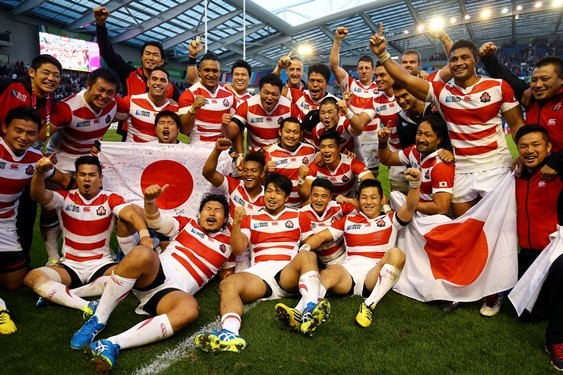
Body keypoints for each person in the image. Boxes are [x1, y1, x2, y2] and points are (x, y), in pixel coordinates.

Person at [369, 27, 525, 218]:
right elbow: (407, 80)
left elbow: (517, 124)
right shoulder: (443, 92)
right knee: (463, 226)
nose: (459, 63)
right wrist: (383, 55)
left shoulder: (498, 87)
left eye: (465, 58)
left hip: (496, 167)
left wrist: (523, 154)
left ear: (476, 60)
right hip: (462, 170)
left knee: (501, 227)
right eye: (454, 59)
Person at [70, 190, 233, 372]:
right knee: (142, 253)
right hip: (157, 272)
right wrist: (149, 201)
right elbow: (156, 221)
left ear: (226, 218)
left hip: (172, 293)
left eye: (218, 210)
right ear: (200, 213)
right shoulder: (186, 224)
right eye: (207, 208)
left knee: (190, 310)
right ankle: (98, 318)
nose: (211, 213)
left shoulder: (230, 244)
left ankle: (111, 344)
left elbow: (228, 271)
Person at [194, 174, 330, 353]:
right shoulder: (251, 218)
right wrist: (237, 224)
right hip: (260, 276)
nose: (272, 196)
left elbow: (311, 242)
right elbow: (237, 248)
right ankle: (230, 334)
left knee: (308, 255)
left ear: (287, 197)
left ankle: (309, 309)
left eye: (278, 193)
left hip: (287, 273)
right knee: (228, 283)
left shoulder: (298, 216)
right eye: (269, 191)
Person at [23, 155, 152, 314]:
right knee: (31, 277)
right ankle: (85, 305)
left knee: (135, 278)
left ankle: (61, 293)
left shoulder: (110, 198)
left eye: (92, 175)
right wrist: (38, 173)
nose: (87, 179)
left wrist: (144, 234)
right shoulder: (65, 198)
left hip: (101, 265)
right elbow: (37, 195)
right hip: (70, 266)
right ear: (76, 177)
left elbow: (131, 214)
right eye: (82, 174)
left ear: (100, 178)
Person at [300, 172, 420, 328]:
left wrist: (415, 184)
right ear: (358, 199)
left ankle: (369, 305)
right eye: (364, 197)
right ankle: (309, 309)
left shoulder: (391, 220)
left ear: (381, 199)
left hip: (375, 274)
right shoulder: (348, 220)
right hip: (349, 273)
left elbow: (411, 205)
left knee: (397, 254)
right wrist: (306, 247)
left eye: (373, 197)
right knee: (330, 271)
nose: (368, 202)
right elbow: (322, 237)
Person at [40, 68, 122, 264]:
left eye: (110, 92)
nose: (104, 96)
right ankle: (53, 257)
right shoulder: (67, 108)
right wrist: (45, 164)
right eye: (100, 90)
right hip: (62, 162)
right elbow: (39, 137)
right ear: (88, 85)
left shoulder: (114, 105)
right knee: (51, 208)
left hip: (89, 163)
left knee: (96, 207)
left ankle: (99, 249)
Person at [0, 107, 69, 334]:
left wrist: (94, 173)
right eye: (18, 131)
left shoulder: (35, 159)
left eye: (30, 133)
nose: (24, 137)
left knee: (14, 283)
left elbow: (62, 179)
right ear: (5, 128)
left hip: (6, 225)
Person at [0, 54, 62, 267]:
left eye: (56, 75)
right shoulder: (10, 86)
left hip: (25, 163)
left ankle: (21, 258)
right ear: (32, 72)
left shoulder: (50, 103)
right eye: (46, 72)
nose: (51, 78)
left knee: (27, 209)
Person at [512, 125, 563, 370]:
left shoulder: (558, 172)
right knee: (526, 316)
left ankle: (556, 340)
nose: (529, 150)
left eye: (536, 145)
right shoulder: (514, 175)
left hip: (555, 253)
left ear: (549, 148)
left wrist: (558, 162)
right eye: (523, 146)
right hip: (528, 255)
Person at [93, 6, 179, 138]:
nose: (150, 58)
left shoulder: (170, 86)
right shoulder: (128, 73)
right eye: (147, 54)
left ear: (162, 61)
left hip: (161, 138)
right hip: (130, 134)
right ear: (142, 57)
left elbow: (184, 108)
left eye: (155, 55)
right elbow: (107, 52)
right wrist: (100, 25)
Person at [480, 45, 563, 153]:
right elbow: (507, 78)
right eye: (534, 80)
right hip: (537, 168)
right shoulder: (530, 97)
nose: (538, 85)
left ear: (561, 79)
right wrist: (488, 58)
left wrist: (555, 163)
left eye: (545, 79)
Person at [378, 115, 454, 215]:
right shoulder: (414, 151)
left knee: (398, 202)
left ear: (439, 139)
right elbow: (387, 159)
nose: (421, 139)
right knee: (395, 196)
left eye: (427, 135)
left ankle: (390, 214)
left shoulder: (441, 165)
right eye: (419, 134)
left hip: (433, 218)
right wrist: (383, 143)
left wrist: (410, 204)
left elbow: (441, 208)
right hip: (416, 210)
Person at [228, 74, 301, 151]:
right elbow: (233, 131)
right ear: (259, 91)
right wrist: (225, 126)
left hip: (281, 154)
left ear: (280, 94)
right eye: (266, 93)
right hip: (256, 156)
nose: (269, 97)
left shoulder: (289, 107)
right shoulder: (247, 106)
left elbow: (300, 133)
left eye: (274, 94)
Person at [178, 53, 237, 147]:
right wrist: (193, 109)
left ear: (220, 72)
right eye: (207, 70)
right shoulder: (188, 94)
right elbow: (184, 130)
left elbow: (233, 132)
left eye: (215, 71)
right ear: (199, 71)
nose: (211, 74)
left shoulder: (229, 96)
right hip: (198, 149)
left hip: (223, 151)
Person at [299, 131, 374, 201]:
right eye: (323, 147)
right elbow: (305, 196)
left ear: (339, 148)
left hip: (348, 204)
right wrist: (301, 179)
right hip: (326, 206)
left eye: (330, 146)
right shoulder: (316, 165)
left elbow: (373, 185)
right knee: (307, 202)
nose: (326, 150)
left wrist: (385, 207)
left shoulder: (351, 162)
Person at [263, 117, 316, 208]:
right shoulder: (270, 153)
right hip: (280, 207)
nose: (291, 136)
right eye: (287, 131)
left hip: (304, 206)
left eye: (295, 132)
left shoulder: (310, 150)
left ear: (300, 134)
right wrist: (265, 170)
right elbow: (262, 184)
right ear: (280, 132)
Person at [116, 67, 178, 143]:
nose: (158, 83)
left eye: (163, 80)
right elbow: (106, 119)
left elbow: (186, 131)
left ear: (168, 86)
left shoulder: (176, 108)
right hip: (134, 153)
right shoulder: (130, 101)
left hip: (160, 154)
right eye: (154, 79)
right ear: (148, 83)